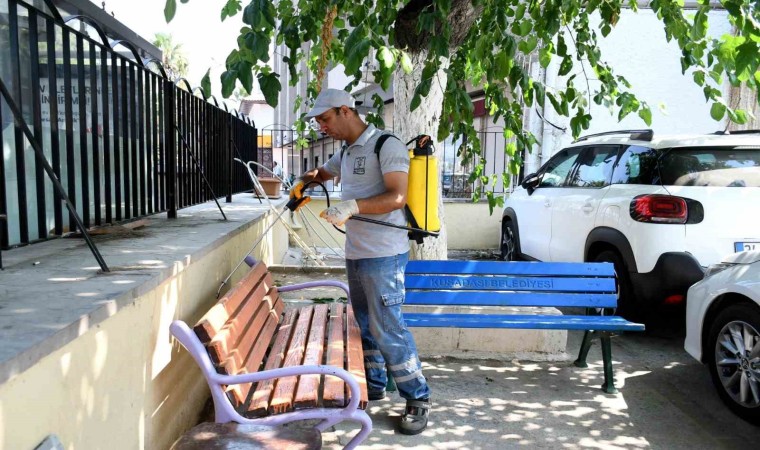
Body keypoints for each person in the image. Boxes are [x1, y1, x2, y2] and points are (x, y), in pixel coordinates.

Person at [290, 88, 431, 435]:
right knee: (365, 324)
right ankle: (375, 385)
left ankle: (417, 397)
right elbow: (323, 172)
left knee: (388, 327)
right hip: (356, 251)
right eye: (318, 121)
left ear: (345, 111)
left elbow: (397, 196)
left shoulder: (386, 145)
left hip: (384, 254)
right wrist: (303, 182)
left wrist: (353, 206)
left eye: (325, 119)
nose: (322, 127)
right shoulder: (346, 151)